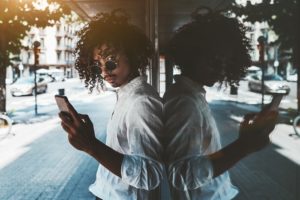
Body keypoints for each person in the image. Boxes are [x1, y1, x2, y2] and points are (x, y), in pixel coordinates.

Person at [163, 7, 278, 200]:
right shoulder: (184, 103)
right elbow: (182, 175)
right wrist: (243, 146)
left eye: (225, 62)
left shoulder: (191, 96)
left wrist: (243, 143)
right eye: (214, 60)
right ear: (191, 55)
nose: (221, 69)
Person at [58, 10, 164, 200]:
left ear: (132, 55)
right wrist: (89, 141)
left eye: (111, 62)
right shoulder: (126, 94)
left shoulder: (142, 101)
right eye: (98, 65)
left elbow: (150, 175)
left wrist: (91, 145)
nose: (104, 71)